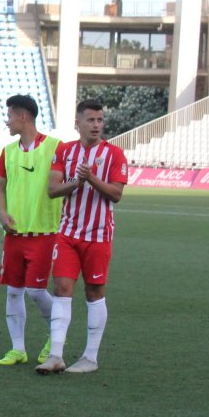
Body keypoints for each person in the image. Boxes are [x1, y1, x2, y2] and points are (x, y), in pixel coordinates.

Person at [36, 99, 127, 375]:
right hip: (68, 234)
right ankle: (56, 355)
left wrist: (92, 179)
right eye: (90, 120)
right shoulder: (65, 151)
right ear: (78, 123)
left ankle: (90, 357)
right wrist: (77, 182)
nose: (96, 125)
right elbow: (52, 189)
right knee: (62, 289)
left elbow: (116, 194)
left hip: (99, 235)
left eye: (100, 120)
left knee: (94, 292)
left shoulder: (115, 155)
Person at [0, 94, 61, 367]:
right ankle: (17, 348)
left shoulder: (56, 148)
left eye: (10, 116)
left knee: (35, 290)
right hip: (14, 235)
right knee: (13, 291)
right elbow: (1, 187)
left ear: (23, 117)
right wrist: (2, 213)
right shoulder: (8, 151)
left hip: (44, 232)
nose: (7, 121)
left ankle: (58, 334)